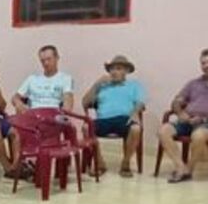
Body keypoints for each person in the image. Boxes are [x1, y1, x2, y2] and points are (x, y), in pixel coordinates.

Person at [82, 55, 146, 178]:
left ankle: (125, 163)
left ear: (126, 71)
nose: (115, 71)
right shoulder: (102, 86)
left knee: (136, 129)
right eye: (112, 69)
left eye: (119, 68)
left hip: (124, 118)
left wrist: (135, 113)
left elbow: (140, 102)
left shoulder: (134, 85)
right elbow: (85, 103)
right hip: (103, 120)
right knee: (86, 128)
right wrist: (96, 85)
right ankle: (100, 164)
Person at [158, 49, 208, 183]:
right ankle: (181, 167)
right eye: (203, 63)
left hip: (205, 124)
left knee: (199, 136)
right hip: (187, 120)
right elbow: (176, 101)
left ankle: (189, 170)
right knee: (163, 131)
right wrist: (180, 113)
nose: (206, 66)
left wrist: (202, 119)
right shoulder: (193, 84)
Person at [13, 45, 74, 112]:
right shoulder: (32, 79)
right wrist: (18, 103)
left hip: (53, 116)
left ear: (57, 58)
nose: (46, 63)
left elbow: (68, 101)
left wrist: (66, 108)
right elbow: (15, 97)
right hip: (33, 115)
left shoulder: (65, 79)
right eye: (42, 61)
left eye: (49, 59)